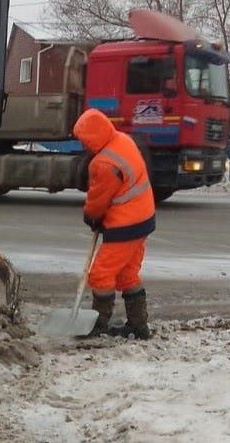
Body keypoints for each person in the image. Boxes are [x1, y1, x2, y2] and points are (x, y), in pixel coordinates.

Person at [73, 108, 156, 339]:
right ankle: (139, 325)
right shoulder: (122, 140)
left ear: (92, 138)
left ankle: (97, 324)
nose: (84, 146)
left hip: (126, 225)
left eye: (84, 140)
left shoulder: (104, 163)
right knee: (127, 274)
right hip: (143, 218)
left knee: (100, 274)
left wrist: (91, 216)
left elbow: (98, 200)